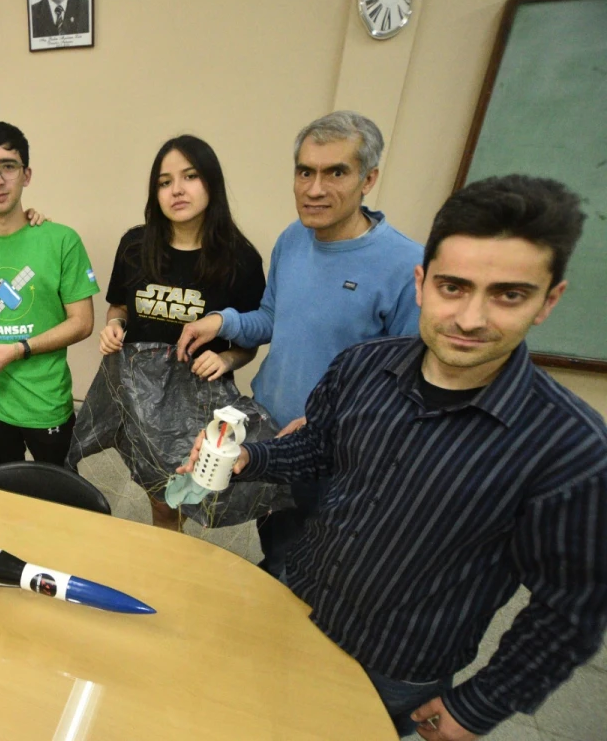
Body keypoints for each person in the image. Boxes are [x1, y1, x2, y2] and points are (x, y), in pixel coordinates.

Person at [178, 175, 607, 739]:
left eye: (508, 294)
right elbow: (319, 447)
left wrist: (476, 707)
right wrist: (248, 460)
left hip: (394, 669)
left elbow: (569, 612)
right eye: (454, 287)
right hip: (296, 604)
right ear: (422, 282)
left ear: (548, 300)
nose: (472, 318)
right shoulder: (361, 367)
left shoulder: (570, 448)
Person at [176, 110, 422, 574]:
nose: (314, 188)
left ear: (368, 179)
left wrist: (330, 418)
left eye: (336, 173)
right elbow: (272, 317)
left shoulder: (406, 267)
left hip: (336, 456)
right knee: (277, 551)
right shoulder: (293, 238)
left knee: (313, 572)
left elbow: (407, 385)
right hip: (270, 432)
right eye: (305, 171)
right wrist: (221, 322)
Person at [97, 135, 266, 529]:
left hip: (200, 398)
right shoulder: (135, 245)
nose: (176, 190)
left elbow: (252, 339)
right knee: (160, 496)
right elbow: (119, 306)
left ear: (211, 183)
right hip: (143, 398)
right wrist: (114, 326)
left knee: (193, 490)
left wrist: (226, 358)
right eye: (164, 181)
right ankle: (167, 556)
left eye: (189, 176)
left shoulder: (240, 258)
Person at [0, 121, 98, 466]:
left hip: (46, 402)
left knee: (59, 496)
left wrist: (19, 349)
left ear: (26, 175)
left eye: (8, 166)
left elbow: (83, 322)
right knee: (6, 491)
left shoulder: (60, 240)